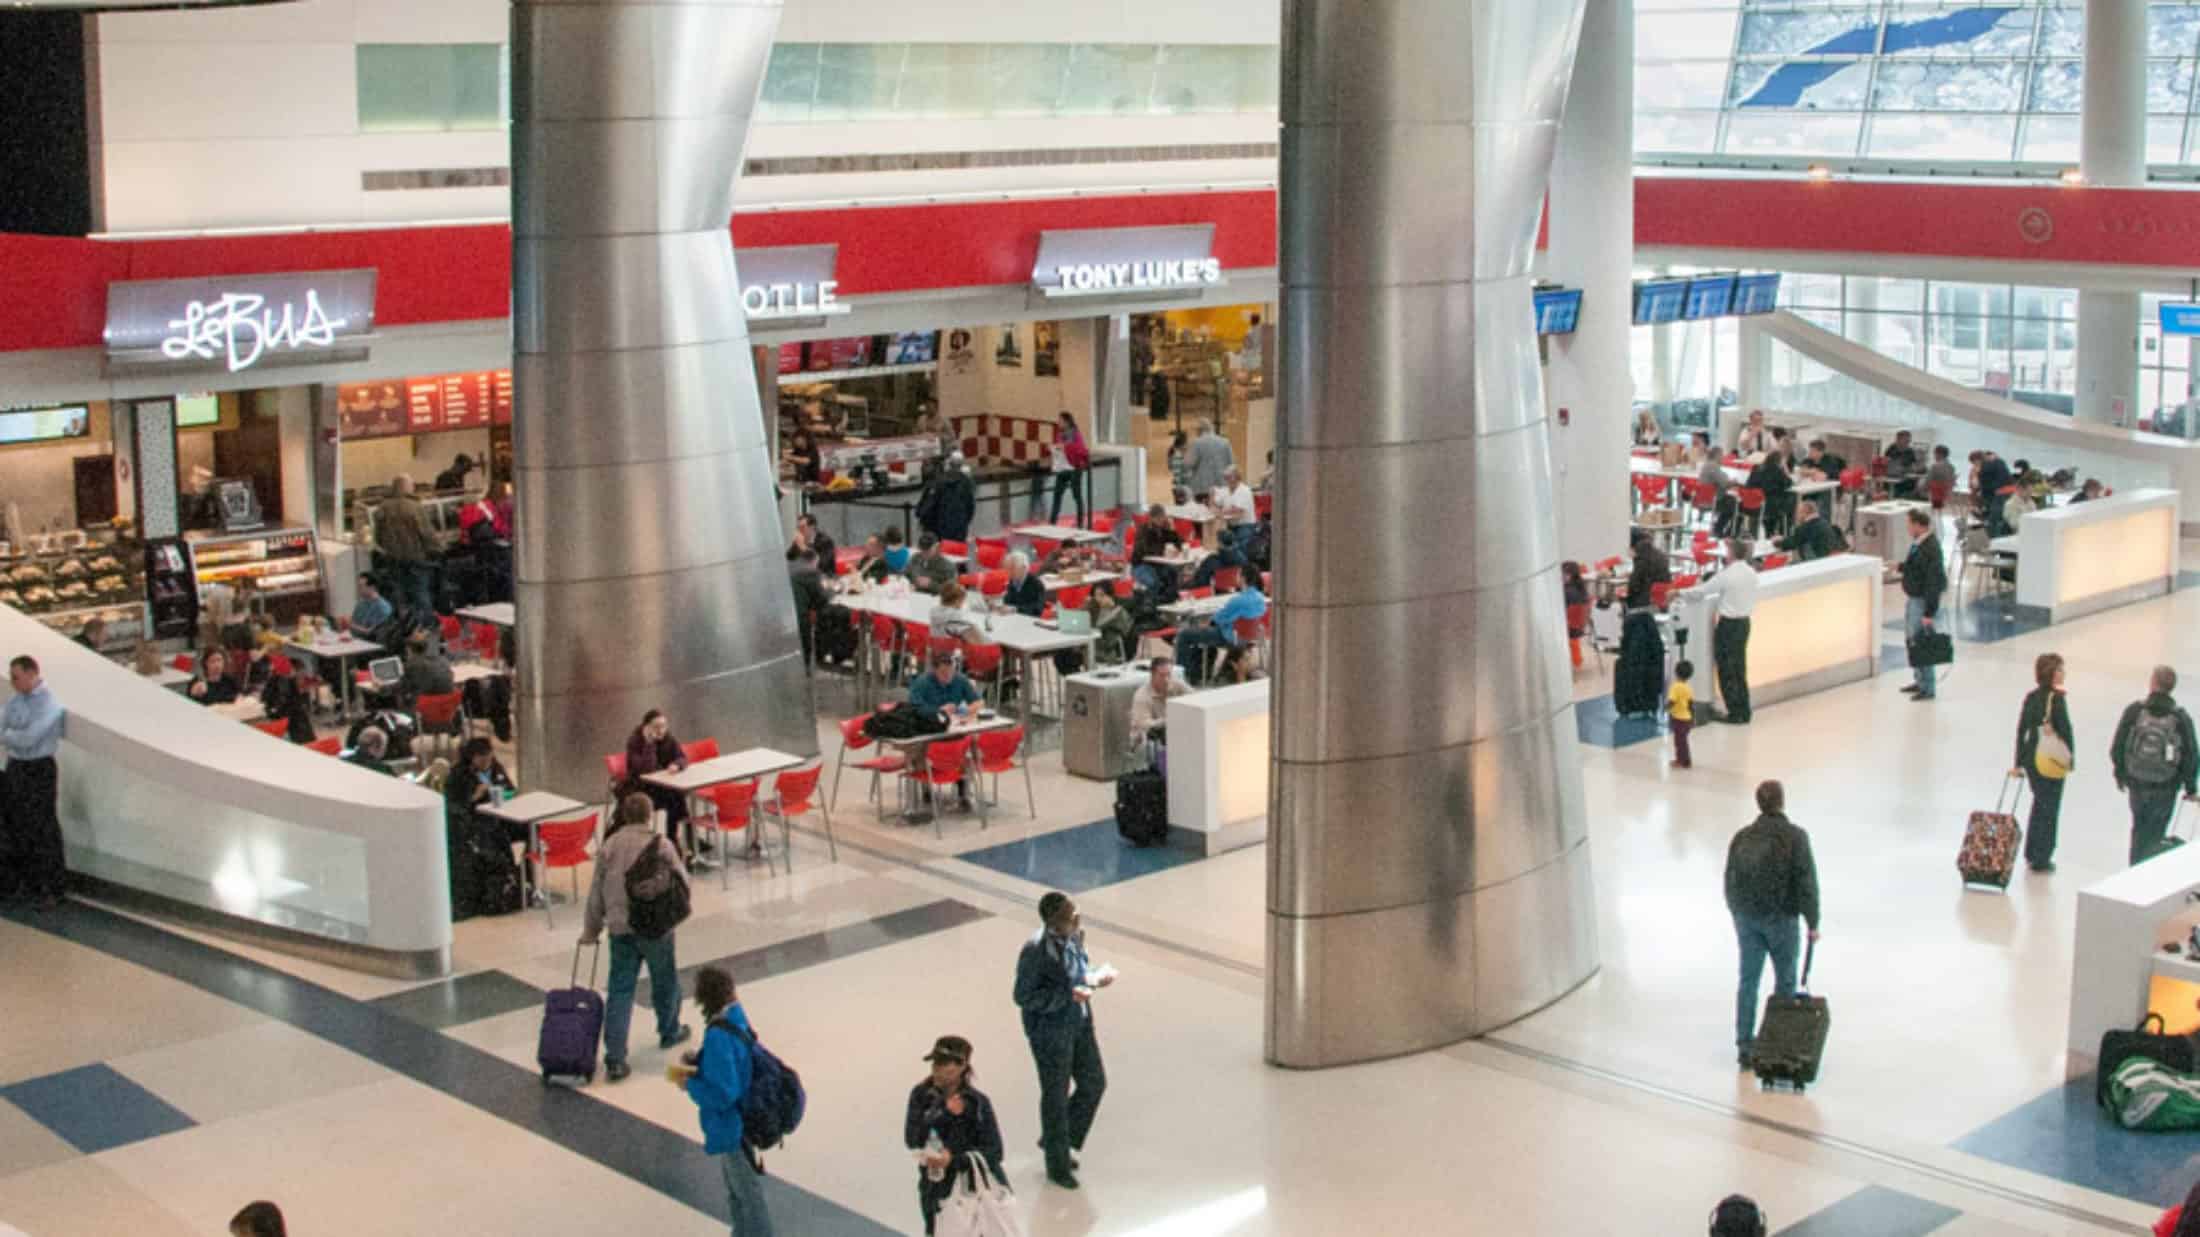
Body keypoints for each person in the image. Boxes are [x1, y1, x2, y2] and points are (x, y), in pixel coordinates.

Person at [581, 792, 693, 1082]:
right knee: (664, 978)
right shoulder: (661, 844)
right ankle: (669, 1030)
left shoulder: (609, 846)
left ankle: (616, 1058)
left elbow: (596, 892)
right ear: (649, 815)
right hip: (657, 928)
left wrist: (591, 929)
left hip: (620, 928)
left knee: (620, 990)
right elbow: (683, 880)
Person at [1015, 891, 1111, 1189]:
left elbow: (1078, 973)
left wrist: (1094, 978)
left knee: (1094, 1082)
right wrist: (1065, 996)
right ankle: (1058, 1165)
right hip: (1051, 1032)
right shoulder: (1035, 951)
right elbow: (1023, 995)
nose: (1076, 919)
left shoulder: (1075, 937)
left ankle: (1060, 1140)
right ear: (1054, 922)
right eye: (1070, 916)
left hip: (1080, 1021)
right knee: (1055, 1095)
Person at [1724, 779, 1821, 1068]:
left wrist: (1736, 911)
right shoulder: (1795, 837)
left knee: (1748, 981)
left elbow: (1728, 878)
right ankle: (1779, 1048)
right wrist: (1812, 921)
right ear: (1782, 802)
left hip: (1746, 918)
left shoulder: (1742, 837)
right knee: (1786, 982)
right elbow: (1806, 882)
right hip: (1781, 918)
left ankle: (1745, 1045)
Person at [677, 965, 774, 1236]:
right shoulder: (736, 1019)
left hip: (731, 1127)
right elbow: (735, 1060)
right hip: (744, 1122)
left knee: (746, 1195)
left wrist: (691, 1084)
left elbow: (723, 1093)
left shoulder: (718, 1034)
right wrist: (701, 1061)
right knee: (739, 1192)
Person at [905, 1035, 1008, 1235]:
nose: (936, 1068)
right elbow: (912, 1139)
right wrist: (942, 1112)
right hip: (935, 1187)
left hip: (973, 1191)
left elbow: (995, 1152)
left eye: (944, 1063)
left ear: (962, 1066)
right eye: (934, 1062)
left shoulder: (977, 1103)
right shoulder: (920, 1095)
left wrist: (953, 1160)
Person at [2111, 665, 2200, 866]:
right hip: (2165, 786)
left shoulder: (2135, 711)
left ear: (2152, 683)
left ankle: (2132, 870)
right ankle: (2148, 874)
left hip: (2137, 782)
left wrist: (2121, 774)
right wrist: (2190, 787)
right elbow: (2191, 755)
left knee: (2138, 827)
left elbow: (2117, 746)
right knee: (2156, 832)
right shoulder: (2180, 718)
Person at [1, 656, 66, 910]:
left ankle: (53, 887)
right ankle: (27, 883)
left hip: (39, 769)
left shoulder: (49, 704)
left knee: (43, 828)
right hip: (16, 767)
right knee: (18, 825)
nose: (13, 682)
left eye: (16, 677)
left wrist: (8, 736)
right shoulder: (15, 701)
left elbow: (29, 739)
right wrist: (11, 737)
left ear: (31, 673)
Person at [2013, 652, 2076, 873]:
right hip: (2049, 759)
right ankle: (2042, 855)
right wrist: (2070, 758)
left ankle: (2031, 851)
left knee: (2039, 804)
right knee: (2050, 808)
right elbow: (2066, 730)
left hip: (2032, 759)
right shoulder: (2057, 699)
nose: (2063, 673)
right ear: (2052, 673)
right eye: (2060, 669)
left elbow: (2022, 730)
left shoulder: (2031, 697)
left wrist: (2018, 761)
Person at [1614, 531, 1671, 719]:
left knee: (1633, 657)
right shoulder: (1661, 556)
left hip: (1639, 610)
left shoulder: (1642, 559)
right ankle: (1650, 701)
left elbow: (1635, 586)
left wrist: (1624, 594)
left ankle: (1632, 702)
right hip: (1657, 608)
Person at [623, 710, 694, 857]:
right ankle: (683, 840)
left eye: (664, 726)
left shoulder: (668, 738)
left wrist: (677, 765)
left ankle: (676, 838)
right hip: (640, 790)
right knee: (675, 798)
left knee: (677, 797)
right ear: (646, 727)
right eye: (657, 727)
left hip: (661, 787)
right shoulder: (635, 742)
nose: (661, 730)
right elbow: (646, 770)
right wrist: (650, 744)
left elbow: (682, 757)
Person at [1173, 577, 1267, 687]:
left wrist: (1212, 620)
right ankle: (1200, 673)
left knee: (1184, 635)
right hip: (1249, 637)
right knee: (1203, 633)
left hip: (1230, 638)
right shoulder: (1260, 597)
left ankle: (1181, 678)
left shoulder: (1237, 600)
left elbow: (1219, 618)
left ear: (1243, 579)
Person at [1899, 509, 1947, 702]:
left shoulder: (1930, 547)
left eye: (1910, 524)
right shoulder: (1919, 544)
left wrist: (1929, 611)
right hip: (1914, 598)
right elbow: (1917, 568)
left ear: (1919, 525)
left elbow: (1933, 581)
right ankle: (1919, 679)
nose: (1908, 528)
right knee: (1912, 640)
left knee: (1922, 642)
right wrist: (1902, 567)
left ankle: (1928, 686)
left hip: (1922, 601)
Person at [375, 474, 439, 617]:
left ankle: (402, 625)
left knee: (398, 593)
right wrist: (436, 549)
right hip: (416, 557)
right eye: (412, 486)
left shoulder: (383, 507)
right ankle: (425, 625)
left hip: (393, 558)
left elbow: (377, 536)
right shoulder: (415, 507)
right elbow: (427, 533)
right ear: (407, 487)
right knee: (420, 593)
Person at [1129, 656, 1188, 758]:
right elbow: (1145, 725)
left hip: (1170, 732)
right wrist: (1167, 720)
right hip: (1146, 742)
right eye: (1162, 675)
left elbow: (1196, 698)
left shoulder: (1176, 684)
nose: (1166, 679)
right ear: (1152, 675)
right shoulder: (1142, 696)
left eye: (1169, 675)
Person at [909, 650, 982, 726]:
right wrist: (938, 711)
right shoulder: (922, 682)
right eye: (943, 672)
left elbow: (979, 702)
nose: (948, 676)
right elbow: (913, 709)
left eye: (951, 671)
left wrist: (964, 711)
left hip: (954, 725)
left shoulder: (960, 679)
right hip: (929, 726)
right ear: (934, 670)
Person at [789, 548, 831, 671]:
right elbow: (822, 598)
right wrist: (833, 590)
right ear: (813, 561)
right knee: (805, 645)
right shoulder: (810, 571)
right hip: (800, 616)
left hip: (786, 615)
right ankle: (806, 671)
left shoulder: (791, 567)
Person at [1050, 412, 1089, 526]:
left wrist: (1065, 447)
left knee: (1076, 495)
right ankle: (1052, 522)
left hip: (1075, 467)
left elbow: (1081, 449)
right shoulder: (1059, 434)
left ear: (1067, 422)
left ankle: (1080, 522)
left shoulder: (1075, 434)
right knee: (1057, 494)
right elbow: (1059, 450)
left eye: (1061, 421)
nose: (1059, 423)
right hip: (1063, 468)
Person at [261, 665, 317, 744]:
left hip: (285, 716)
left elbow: (266, 698)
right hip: (291, 719)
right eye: (300, 673)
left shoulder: (279, 681)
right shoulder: (285, 682)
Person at [930, 454, 978, 544]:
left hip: (943, 523)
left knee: (945, 550)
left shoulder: (940, 480)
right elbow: (970, 505)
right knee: (959, 551)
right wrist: (965, 520)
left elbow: (934, 504)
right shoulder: (966, 481)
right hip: (960, 523)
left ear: (950, 464)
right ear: (961, 464)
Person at [399, 630, 454, 708]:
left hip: (427, 707)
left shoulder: (412, 665)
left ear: (409, 649)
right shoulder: (442, 660)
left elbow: (401, 688)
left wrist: (381, 688)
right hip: (447, 707)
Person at [1697, 438, 1737, 537]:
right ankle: (1722, 530)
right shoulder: (1713, 467)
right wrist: (1734, 482)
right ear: (1717, 455)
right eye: (1722, 455)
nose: (1723, 458)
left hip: (1702, 499)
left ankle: (1720, 528)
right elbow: (1724, 483)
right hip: (1713, 500)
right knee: (1734, 504)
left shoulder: (1705, 465)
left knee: (1730, 500)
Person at [1186, 418, 1234, 496]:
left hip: (1202, 488)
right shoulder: (1225, 442)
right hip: (1221, 486)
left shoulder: (1197, 443)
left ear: (1199, 430)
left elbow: (1188, 464)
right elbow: (1231, 464)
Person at [1213, 467, 1256, 551]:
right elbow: (1215, 504)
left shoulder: (1245, 490)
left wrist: (1221, 511)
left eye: (1230, 477)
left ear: (1238, 477)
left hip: (1245, 525)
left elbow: (1238, 511)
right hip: (1230, 525)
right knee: (1221, 542)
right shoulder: (1225, 490)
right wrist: (1212, 495)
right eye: (1226, 477)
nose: (1228, 480)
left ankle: (1244, 563)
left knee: (1239, 547)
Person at [1087, 587, 1133, 665]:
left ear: (1109, 596)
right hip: (1094, 640)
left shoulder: (1117, 610)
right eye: (1095, 595)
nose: (1098, 598)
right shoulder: (1093, 606)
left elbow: (1099, 624)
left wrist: (1107, 608)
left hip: (1108, 644)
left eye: (1102, 595)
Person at [1976, 450, 2015, 536]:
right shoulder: (2000, 462)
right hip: (2011, 491)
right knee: (2005, 518)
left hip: (1999, 494)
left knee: (1994, 520)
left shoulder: (1986, 465)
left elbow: (1984, 483)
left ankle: (1993, 539)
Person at [999, 551, 1046, 617]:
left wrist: (1015, 609)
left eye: (1012, 568)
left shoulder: (1036, 584)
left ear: (1024, 568)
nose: (1008, 572)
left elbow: (1037, 609)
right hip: (1012, 619)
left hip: (1029, 622)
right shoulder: (1011, 582)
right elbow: (1007, 602)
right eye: (1007, 568)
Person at [1669, 659, 1696, 770]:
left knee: (1679, 742)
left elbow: (1672, 701)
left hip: (1678, 719)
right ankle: (1685, 760)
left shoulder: (1675, 687)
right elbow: (1690, 704)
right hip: (1687, 719)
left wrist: (1665, 708)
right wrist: (1693, 717)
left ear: (1676, 673)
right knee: (1683, 741)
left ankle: (1682, 761)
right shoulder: (1688, 687)